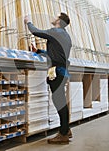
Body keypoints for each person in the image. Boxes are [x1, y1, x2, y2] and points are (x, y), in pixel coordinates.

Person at [24, 12, 72, 144]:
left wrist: (28, 21)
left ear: (59, 21)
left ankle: (63, 134)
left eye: (56, 16)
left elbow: (35, 31)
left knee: (59, 102)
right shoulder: (65, 36)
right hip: (62, 72)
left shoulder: (55, 32)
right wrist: (39, 51)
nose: (53, 17)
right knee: (60, 101)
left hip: (57, 72)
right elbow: (55, 54)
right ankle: (66, 129)